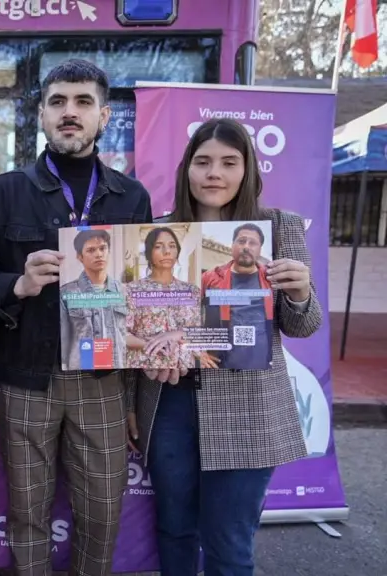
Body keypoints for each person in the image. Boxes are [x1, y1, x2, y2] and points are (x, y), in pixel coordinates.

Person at [0, 59, 153, 575]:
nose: (68, 113)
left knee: (101, 511)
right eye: (57, 102)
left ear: (104, 116)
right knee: (27, 512)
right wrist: (18, 284)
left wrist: (139, 392)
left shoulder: (131, 196)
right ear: (42, 115)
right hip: (26, 379)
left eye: (82, 102)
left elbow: (145, 298)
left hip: (104, 379)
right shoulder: (3, 193)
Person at [126, 118, 321, 576]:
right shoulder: (155, 233)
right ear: (186, 170)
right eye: (203, 161)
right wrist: (134, 394)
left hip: (247, 407)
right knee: (174, 529)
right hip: (168, 402)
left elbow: (303, 325)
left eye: (229, 162)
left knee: (229, 544)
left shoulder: (278, 227)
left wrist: (299, 292)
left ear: (247, 169)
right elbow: (134, 323)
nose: (214, 173)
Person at [124, 226, 202, 371]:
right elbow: (122, 334)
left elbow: (199, 332)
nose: (167, 251)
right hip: (145, 367)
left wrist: (176, 334)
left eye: (172, 246)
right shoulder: (132, 290)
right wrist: (150, 344)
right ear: (148, 253)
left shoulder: (192, 291)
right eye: (159, 246)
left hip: (184, 369)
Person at [198, 222, 275, 370]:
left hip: (261, 367)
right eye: (241, 241)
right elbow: (186, 314)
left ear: (260, 250)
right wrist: (196, 351)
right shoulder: (210, 277)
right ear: (232, 245)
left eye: (253, 243)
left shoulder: (272, 279)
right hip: (218, 366)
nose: (246, 246)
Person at [58, 227, 127, 370]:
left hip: (118, 369)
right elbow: (64, 345)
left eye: (103, 248)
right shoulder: (66, 293)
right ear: (79, 256)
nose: (99, 254)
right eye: (91, 250)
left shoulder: (124, 292)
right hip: (80, 371)